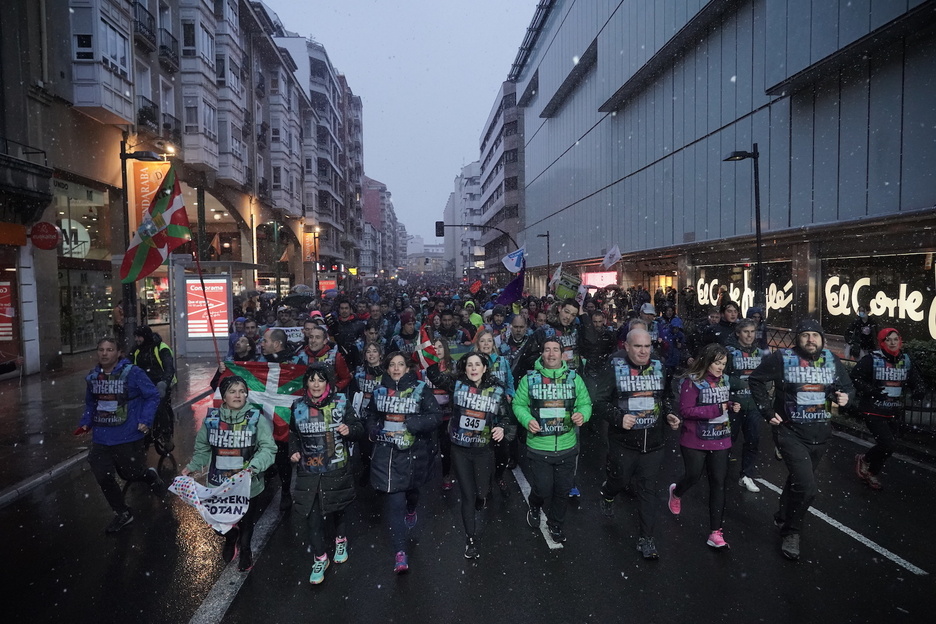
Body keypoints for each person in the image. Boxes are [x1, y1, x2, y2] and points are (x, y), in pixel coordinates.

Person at [748, 318, 854, 561]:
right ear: (798, 338)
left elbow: (847, 387)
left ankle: (783, 516)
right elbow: (756, 380)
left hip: (820, 434)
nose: (810, 340)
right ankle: (791, 532)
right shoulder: (782, 359)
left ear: (822, 339)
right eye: (805, 335)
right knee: (807, 486)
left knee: (798, 480)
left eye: (815, 335)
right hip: (789, 431)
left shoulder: (830, 359)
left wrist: (845, 397)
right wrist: (766, 411)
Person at [595, 329, 679, 560]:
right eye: (638, 347)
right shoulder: (614, 368)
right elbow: (598, 401)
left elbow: (666, 397)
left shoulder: (660, 367)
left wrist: (669, 414)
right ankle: (607, 493)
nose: (643, 351)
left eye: (647, 346)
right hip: (624, 442)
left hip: (654, 443)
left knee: (647, 490)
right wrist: (618, 417)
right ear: (627, 347)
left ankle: (646, 539)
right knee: (620, 480)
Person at [181, 375, 275, 572]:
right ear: (224, 396)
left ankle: (246, 550)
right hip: (218, 484)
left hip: (248, 484)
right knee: (217, 522)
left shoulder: (256, 419)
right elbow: (203, 448)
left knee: (247, 521)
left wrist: (254, 467)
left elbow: (268, 448)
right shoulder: (212, 419)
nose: (238, 395)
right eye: (232, 391)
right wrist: (193, 466)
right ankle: (231, 537)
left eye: (242, 391)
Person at [424, 351, 510, 558]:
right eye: (469, 365)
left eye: (477, 365)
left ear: (484, 368)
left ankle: (482, 497)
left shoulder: (496, 389)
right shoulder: (457, 384)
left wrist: (502, 429)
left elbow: (506, 417)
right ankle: (470, 539)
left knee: (482, 493)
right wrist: (431, 356)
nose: (473, 368)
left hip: (483, 449)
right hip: (460, 448)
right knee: (467, 495)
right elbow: (435, 376)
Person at [74, 337, 163, 533]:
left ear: (119, 353)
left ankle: (149, 476)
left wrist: (145, 420)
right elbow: (91, 403)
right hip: (101, 437)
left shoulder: (133, 373)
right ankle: (122, 513)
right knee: (102, 475)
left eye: (109, 349)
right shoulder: (93, 377)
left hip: (128, 434)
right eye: (101, 350)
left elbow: (152, 396)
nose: (104, 353)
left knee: (131, 473)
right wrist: (85, 423)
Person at [365, 351, 441, 573]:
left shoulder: (421, 389)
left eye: (400, 365)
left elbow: (435, 416)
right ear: (387, 368)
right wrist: (373, 429)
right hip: (387, 455)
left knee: (411, 493)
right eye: (392, 365)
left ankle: (412, 508)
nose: (396, 368)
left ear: (408, 368)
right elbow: (370, 415)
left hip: (414, 454)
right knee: (394, 502)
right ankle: (400, 552)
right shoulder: (379, 391)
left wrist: (412, 423)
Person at [289, 363, 364, 584]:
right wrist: (293, 451)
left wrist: (349, 430)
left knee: (337, 510)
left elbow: (359, 428)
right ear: (307, 383)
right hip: (309, 472)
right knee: (312, 518)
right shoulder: (297, 406)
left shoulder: (341, 402)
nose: (316, 384)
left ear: (328, 383)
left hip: (335, 470)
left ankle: (341, 540)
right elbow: (293, 434)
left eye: (320, 380)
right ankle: (320, 558)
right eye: (312, 380)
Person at [512, 337, 592, 544]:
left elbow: (585, 403)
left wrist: (582, 415)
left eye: (555, 350)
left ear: (562, 354)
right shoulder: (529, 379)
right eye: (547, 349)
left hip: (567, 446)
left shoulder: (574, 378)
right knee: (543, 488)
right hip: (539, 447)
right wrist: (527, 419)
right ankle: (535, 504)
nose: (551, 354)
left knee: (562, 490)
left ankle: (556, 525)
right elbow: (518, 405)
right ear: (542, 353)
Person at [668, 343, 740, 549]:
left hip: (721, 438)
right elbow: (686, 411)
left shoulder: (725, 380)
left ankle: (715, 532)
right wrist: (717, 408)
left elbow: (723, 403)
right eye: (717, 363)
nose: (720, 368)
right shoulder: (692, 382)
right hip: (694, 439)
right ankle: (677, 492)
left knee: (718, 482)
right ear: (706, 361)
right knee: (693, 475)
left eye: (723, 364)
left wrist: (732, 406)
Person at [851, 328, 925, 490]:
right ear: (881, 342)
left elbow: (916, 380)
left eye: (895, 339)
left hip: (893, 411)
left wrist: (919, 390)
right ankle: (866, 463)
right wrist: (871, 390)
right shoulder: (872, 359)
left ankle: (869, 469)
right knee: (887, 443)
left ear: (900, 340)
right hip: (873, 409)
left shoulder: (905, 360)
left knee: (890, 447)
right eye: (888, 340)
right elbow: (855, 376)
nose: (892, 343)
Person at [725, 319, 768, 492]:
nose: (750, 335)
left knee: (753, 441)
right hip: (734, 404)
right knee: (728, 440)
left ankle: (746, 475)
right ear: (738, 333)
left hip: (754, 405)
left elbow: (767, 376)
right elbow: (720, 376)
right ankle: (719, 471)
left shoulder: (760, 353)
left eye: (752, 332)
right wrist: (740, 384)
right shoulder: (729, 352)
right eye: (746, 332)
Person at [474, 329, 516, 493]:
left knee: (502, 452)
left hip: (500, 412)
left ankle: (499, 476)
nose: (486, 344)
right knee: (483, 451)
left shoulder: (502, 361)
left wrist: (510, 395)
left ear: (493, 343)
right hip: (482, 412)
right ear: (478, 344)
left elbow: (510, 381)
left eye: (489, 341)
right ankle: (486, 484)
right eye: (482, 341)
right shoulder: (474, 362)